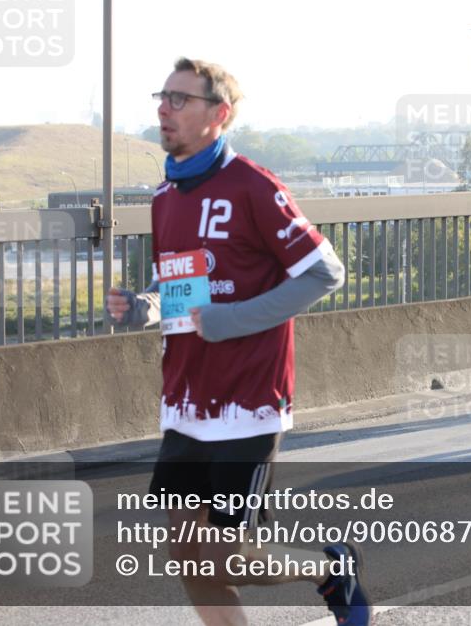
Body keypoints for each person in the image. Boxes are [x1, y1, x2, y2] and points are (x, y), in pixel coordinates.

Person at [106, 57, 371, 626]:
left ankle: (329, 569)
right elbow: (178, 285)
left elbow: (327, 272)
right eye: (162, 96)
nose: (163, 108)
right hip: (185, 403)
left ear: (218, 113)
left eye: (180, 99)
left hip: (248, 404)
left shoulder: (254, 184)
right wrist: (145, 307)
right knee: (189, 560)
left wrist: (234, 319)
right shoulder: (165, 195)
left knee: (229, 559)